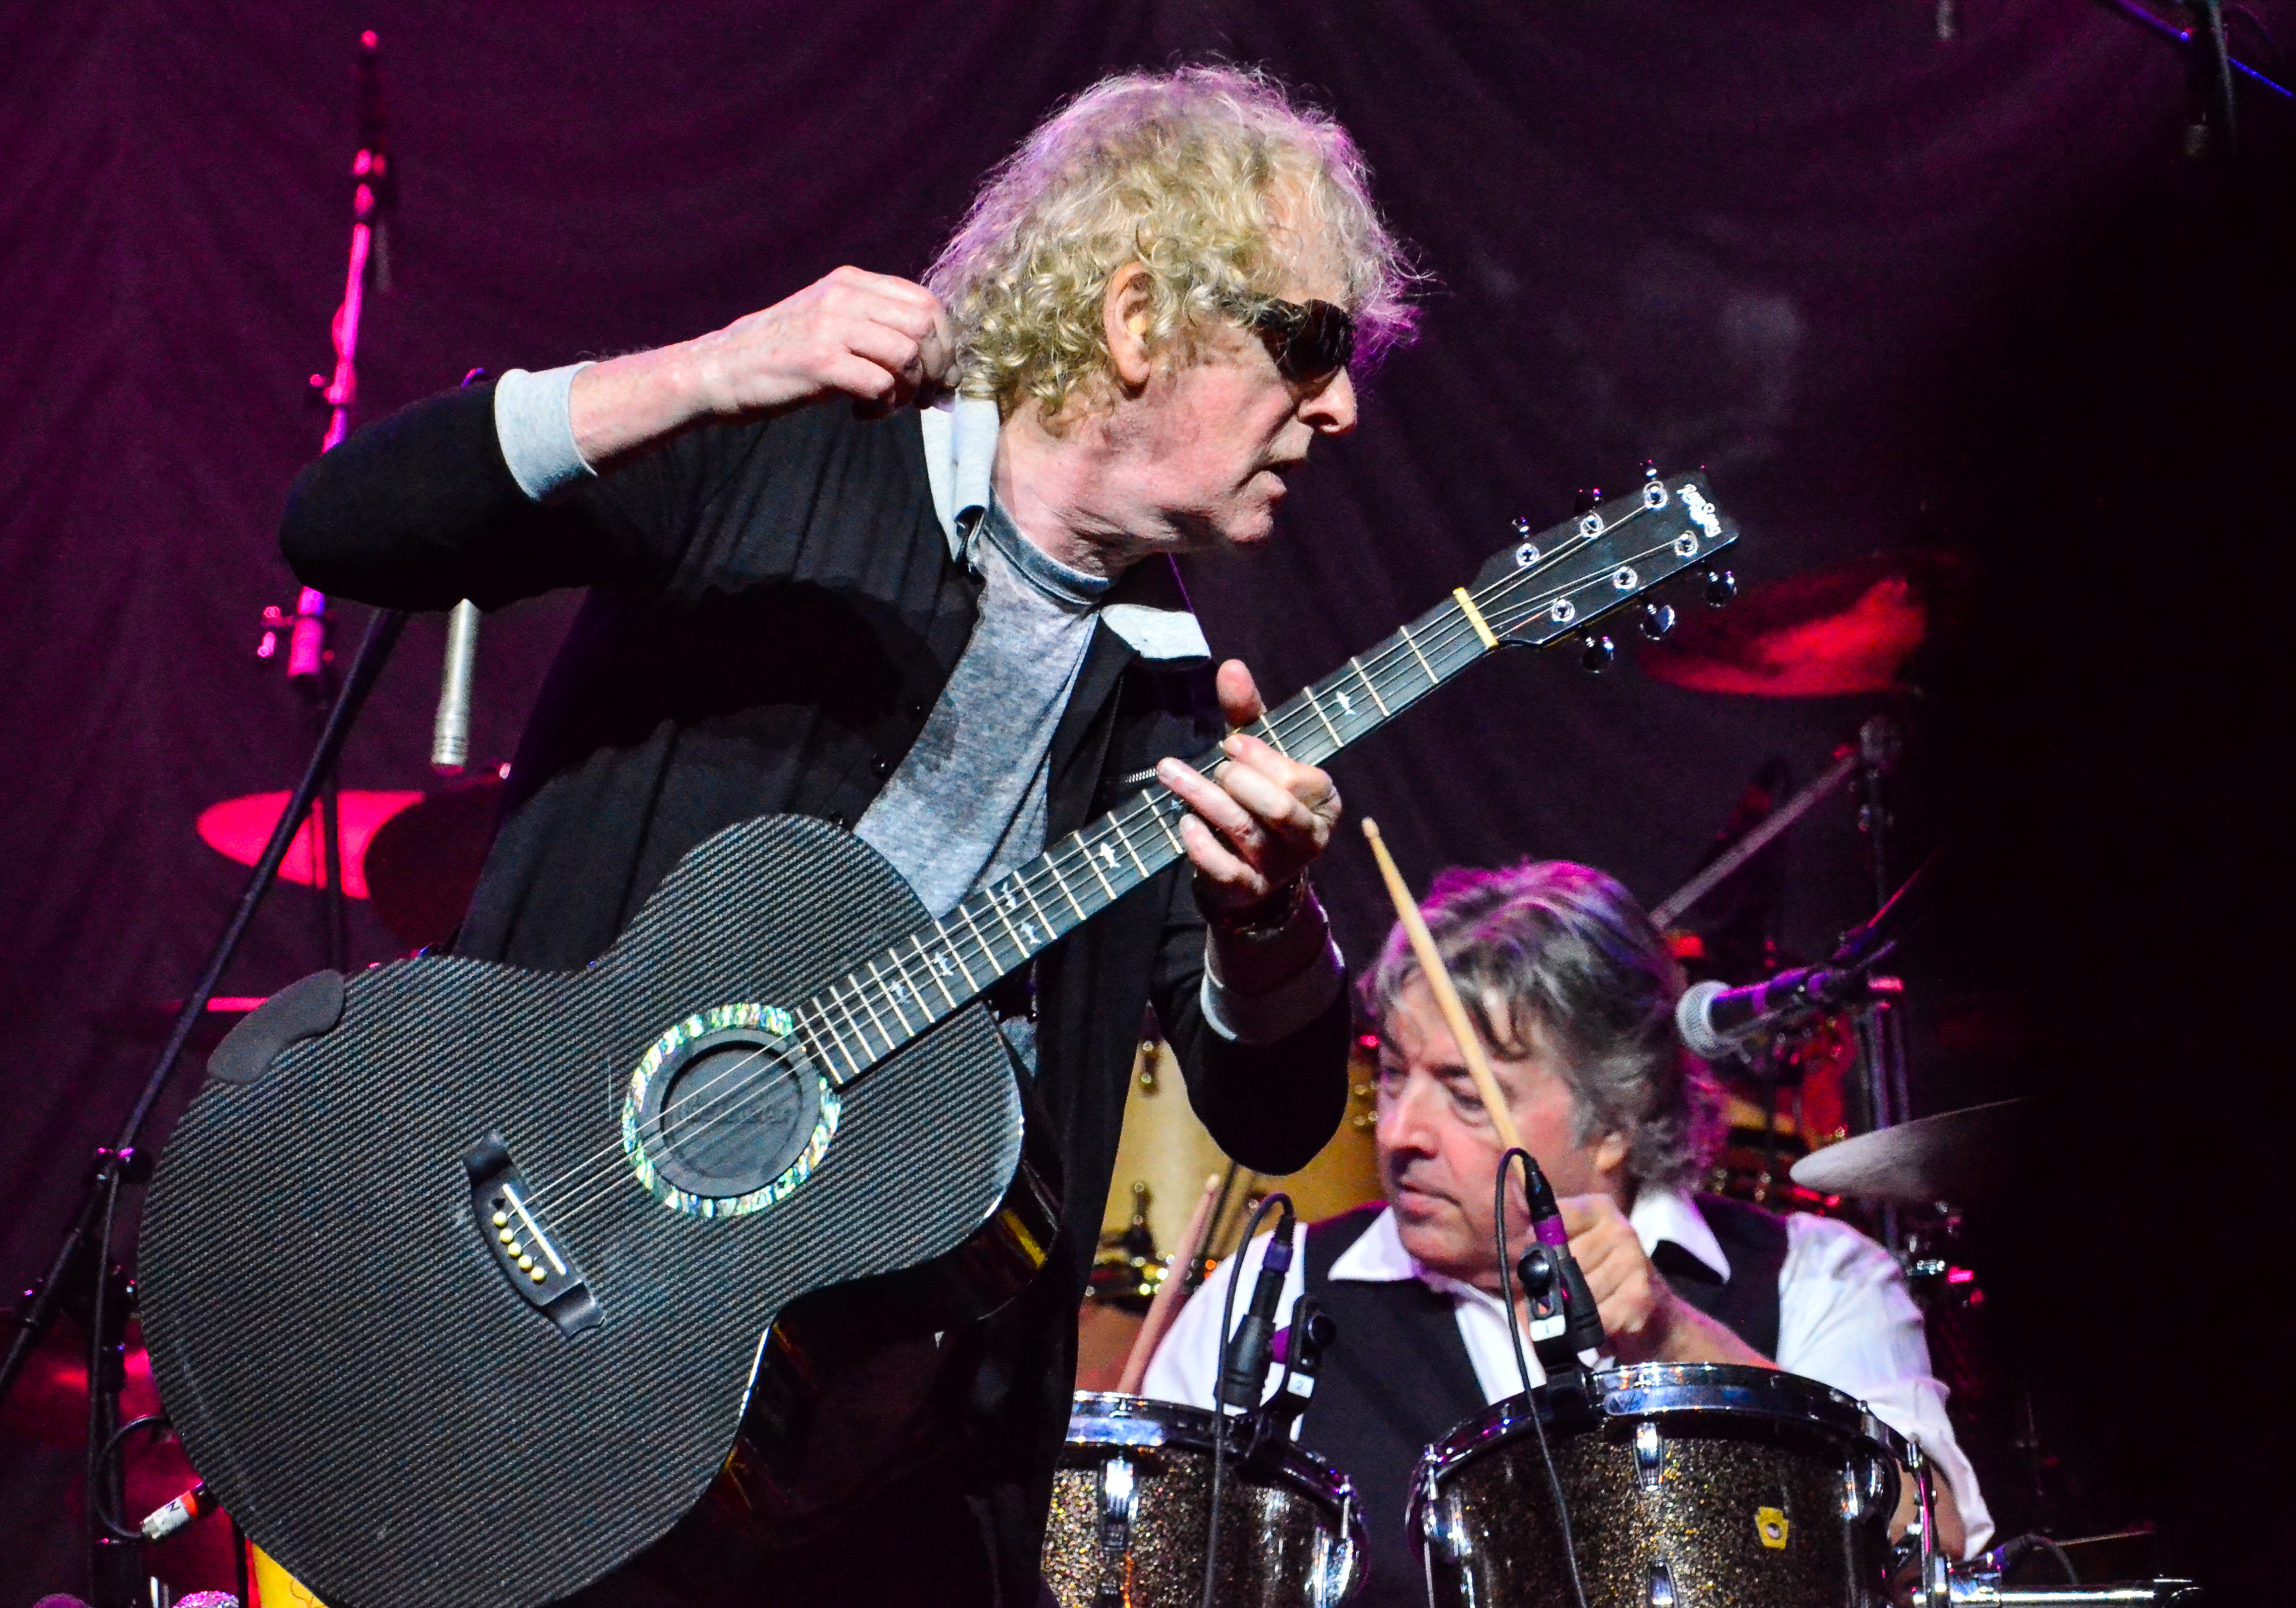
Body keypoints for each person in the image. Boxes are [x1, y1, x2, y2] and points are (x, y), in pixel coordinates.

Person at [281, 66, 1417, 1608]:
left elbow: (1276, 1119)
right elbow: (342, 523)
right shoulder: (784, 452)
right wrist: (695, 375)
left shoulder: (1168, 702)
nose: (1342, 402)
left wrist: (1267, 919)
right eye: (1310, 342)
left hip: (870, 1477)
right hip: (532, 1327)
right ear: (1141, 321)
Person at [1145, 860, 1994, 1605]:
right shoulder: (1275, 1292)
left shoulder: (1813, 1278)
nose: (1402, 1132)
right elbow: (1141, 1569)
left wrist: (1672, 1337)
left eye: (1467, 1094)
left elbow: (1936, 1542)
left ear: (1616, 1116)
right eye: (1396, 1078)